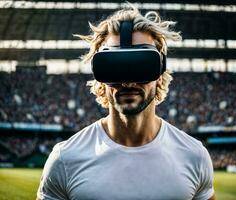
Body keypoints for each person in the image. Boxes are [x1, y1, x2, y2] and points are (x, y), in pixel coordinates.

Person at [37, 4, 215, 200]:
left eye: (142, 65)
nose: (128, 81)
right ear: (100, 79)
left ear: (160, 74)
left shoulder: (194, 156)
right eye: (114, 67)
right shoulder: (65, 159)